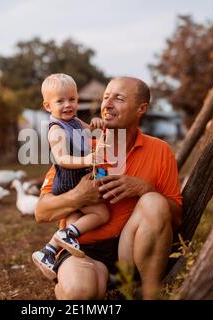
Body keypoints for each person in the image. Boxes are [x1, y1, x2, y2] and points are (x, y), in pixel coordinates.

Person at [35, 76, 183, 299]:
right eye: (105, 97)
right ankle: (68, 282)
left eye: (119, 98)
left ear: (141, 108)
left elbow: (177, 217)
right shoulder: (82, 144)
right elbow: (41, 211)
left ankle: (150, 293)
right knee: (80, 293)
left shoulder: (160, 150)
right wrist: (78, 196)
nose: (107, 104)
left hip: (129, 247)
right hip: (84, 250)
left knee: (154, 201)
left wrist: (144, 189)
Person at [32, 73, 111, 280]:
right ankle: (65, 235)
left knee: (74, 220)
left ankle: (48, 252)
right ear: (48, 106)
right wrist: (88, 160)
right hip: (69, 182)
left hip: (77, 178)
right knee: (101, 214)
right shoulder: (56, 130)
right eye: (61, 101)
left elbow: (96, 134)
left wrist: (96, 123)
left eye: (72, 99)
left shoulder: (75, 121)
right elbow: (62, 158)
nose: (68, 105)